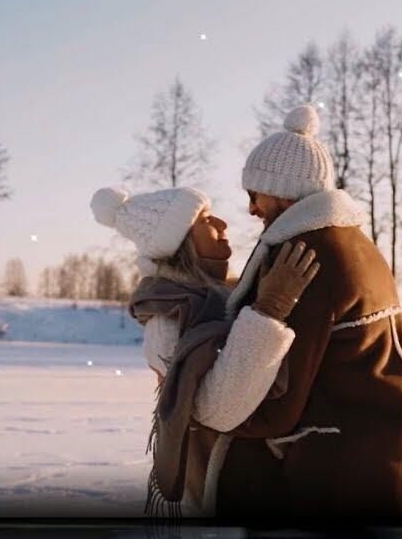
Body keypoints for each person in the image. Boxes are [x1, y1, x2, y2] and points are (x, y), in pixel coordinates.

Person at [216, 103, 402, 521]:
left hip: (334, 480)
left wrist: (205, 410)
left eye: (254, 194)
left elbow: (277, 402)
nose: (251, 209)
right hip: (386, 460)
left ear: (280, 190)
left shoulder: (302, 257)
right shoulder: (356, 245)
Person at [90, 185, 320, 516]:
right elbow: (213, 407)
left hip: (256, 472)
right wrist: (271, 307)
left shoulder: (228, 297)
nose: (222, 223)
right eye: (205, 219)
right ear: (180, 243)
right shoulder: (166, 323)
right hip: (213, 486)